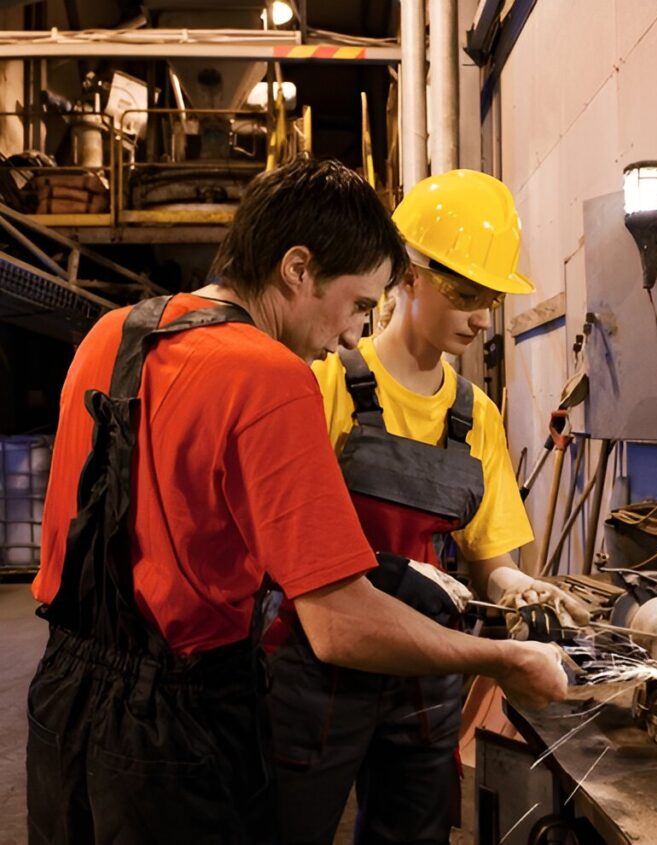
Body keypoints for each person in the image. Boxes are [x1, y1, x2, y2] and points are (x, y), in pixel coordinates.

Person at [25, 159, 567, 845]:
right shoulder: (273, 377)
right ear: (298, 268)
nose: (351, 333)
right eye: (360, 304)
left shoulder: (113, 333)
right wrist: (498, 660)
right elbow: (341, 624)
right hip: (176, 724)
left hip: (63, 700)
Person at [269, 169, 590, 845]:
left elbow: (487, 554)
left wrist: (518, 582)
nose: (480, 317)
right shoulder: (325, 383)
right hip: (321, 669)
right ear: (407, 277)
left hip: (428, 675)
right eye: (467, 292)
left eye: (492, 300)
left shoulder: (477, 414)